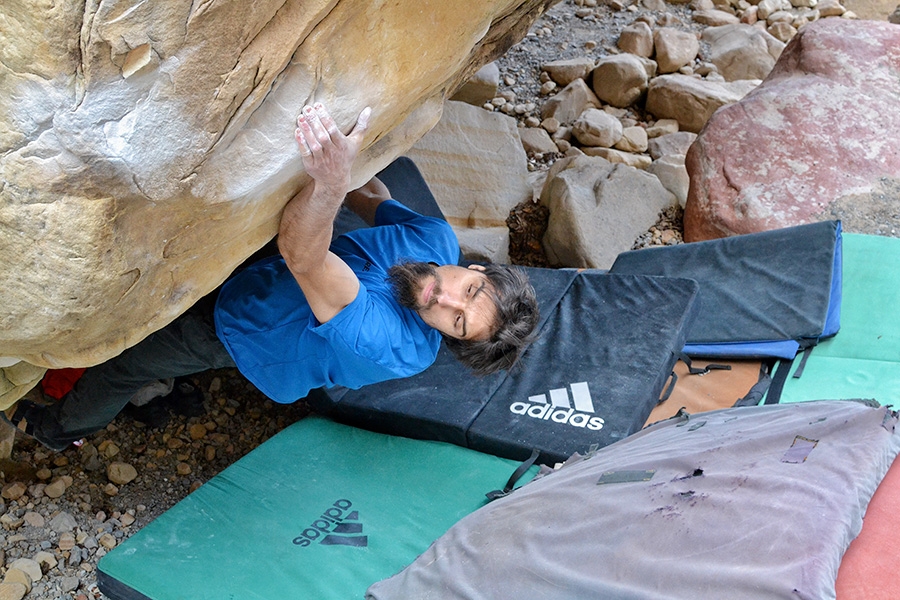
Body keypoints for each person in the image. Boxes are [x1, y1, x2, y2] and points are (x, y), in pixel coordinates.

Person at [5, 102, 539, 452]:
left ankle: (61, 430)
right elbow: (373, 198)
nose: (443, 299)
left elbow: (304, 255)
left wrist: (327, 184)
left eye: (458, 323)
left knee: (126, 364)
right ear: (476, 269)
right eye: (468, 291)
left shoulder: (392, 345)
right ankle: (163, 380)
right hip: (266, 276)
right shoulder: (436, 241)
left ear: (450, 340)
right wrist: (344, 141)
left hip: (250, 333)